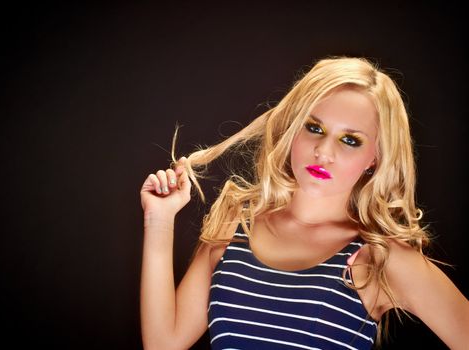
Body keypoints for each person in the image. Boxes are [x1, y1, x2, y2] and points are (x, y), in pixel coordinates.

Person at [139, 57, 469, 349]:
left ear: (374, 159)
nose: (324, 152)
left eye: (350, 140)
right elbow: (163, 343)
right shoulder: (235, 226)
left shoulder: (382, 258)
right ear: (294, 129)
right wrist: (159, 220)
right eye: (314, 127)